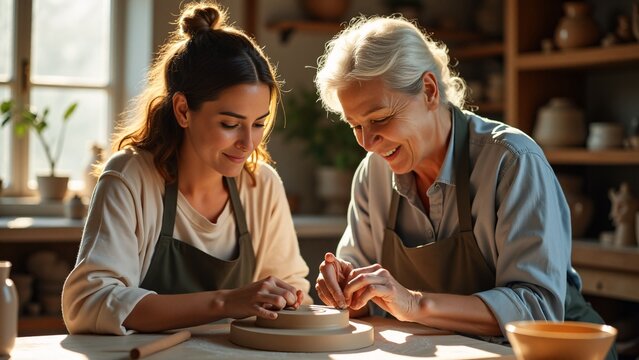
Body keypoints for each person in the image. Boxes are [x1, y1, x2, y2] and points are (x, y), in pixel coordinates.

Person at [314, 15, 614, 358]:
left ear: (429, 90)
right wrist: (344, 290)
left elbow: (538, 309)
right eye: (355, 126)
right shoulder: (373, 174)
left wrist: (414, 304)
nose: (367, 142)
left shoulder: (512, 161)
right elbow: (359, 301)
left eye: (380, 119)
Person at [62, 2, 311, 335]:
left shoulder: (261, 185)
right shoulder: (131, 177)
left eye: (258, 124)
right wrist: (224, 303)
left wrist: (292, 299)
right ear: (183, 110)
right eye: (229, 123)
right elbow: (90, 302)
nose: (248, 143)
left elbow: (292, 290)